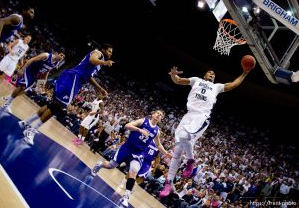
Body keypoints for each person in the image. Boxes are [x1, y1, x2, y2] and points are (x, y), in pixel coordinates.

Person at [159, 65, 254, 197]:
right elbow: (179, 80)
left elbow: (233, 84)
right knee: (177, 151)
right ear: (204, 75)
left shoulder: (217, 87)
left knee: (185, 137)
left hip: (202, 116)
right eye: (209, 72)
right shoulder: (196, 80)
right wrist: (173, 75)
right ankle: (168, 183)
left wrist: (244, 73)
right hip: (189, 114)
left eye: (213, 74)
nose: (212, 74)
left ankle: (190, 161)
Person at [17, 43, 114, 145]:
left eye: (111, 52)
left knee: (53, 104)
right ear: (103, 50)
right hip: (74, 78)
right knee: (58, 106)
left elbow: (89, 77)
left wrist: (100, 89)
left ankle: (26, 122)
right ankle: (31, 130)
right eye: (109, 51)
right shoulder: (98, 53)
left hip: (75, 79)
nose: (110, 54)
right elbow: (92, 59)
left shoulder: (99, 63)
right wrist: (105, 62)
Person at [91, 110, 172, 207]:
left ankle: (126, 197)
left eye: (161, 115)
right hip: (128, 147)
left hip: (139, 152)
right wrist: (139, 130)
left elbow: (158, 144)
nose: (158, 115)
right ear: (153, 114)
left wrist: (166, 153)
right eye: (157, 113)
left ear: (161, 119)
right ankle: (99, 165)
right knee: (111, 165)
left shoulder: (157, 131)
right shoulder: (143, 121)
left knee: (133, 172)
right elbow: (127, 125)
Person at [0, 51, 65, 114]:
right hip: (29, 69)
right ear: (57, 54)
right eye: (61, 55)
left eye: (63, 57)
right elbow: (32, 59)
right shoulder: (46, 55)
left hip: (35, 73)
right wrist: (22, 69)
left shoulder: (56, 63)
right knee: (22, 87)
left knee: (25, 91)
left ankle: (9, 97)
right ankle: (7, 104)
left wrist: (44, 80)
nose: (61, 57)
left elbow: (48, 71)